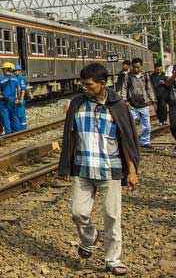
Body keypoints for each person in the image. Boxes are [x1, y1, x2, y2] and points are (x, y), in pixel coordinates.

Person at [59, 63, 139, 276]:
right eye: (83, 84)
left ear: (102, 84)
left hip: (110, 170)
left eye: (89, 84)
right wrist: (66, 165)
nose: (85, 87)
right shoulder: (77, 104)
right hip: (82, 169)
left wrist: (132, 171)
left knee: (112, 216)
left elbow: (127, 141)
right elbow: (69, 137)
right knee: (78, 212)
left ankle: (113, 259)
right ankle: (89, 236)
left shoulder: (118, 106)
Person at [119, 57, 156, 148]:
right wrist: (124, 100)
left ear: (141, 67)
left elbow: (149, 88)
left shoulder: (146, 76)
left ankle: (145, 141)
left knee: (146, 125)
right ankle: (132, 141)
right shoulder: (128, 76)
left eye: (138, 67)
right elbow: (124, 88)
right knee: (131, 124)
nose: (136, 69)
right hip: (132, 104)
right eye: (134, 67)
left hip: (144, 104)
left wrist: (153, 100)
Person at [0, 62, 20, 135]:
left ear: (6, 69)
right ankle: (17, 131)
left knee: (5, 117)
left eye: (3, 69)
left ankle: (8, 133)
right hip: (13, 99)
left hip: (4, 100)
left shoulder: (1, 79)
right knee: (14, 116)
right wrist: (17, 98)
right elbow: (18, 88)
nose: (2, 70)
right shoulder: (15, 78)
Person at [14, 63, 28, 131]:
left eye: (16, 70)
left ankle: (23, 128)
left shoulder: (21, 78)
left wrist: (21, 98)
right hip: (16, 99)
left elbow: (23, 89)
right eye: (14, 71)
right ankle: (19, 128)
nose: (15, 72)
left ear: (19, 71)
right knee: (17, 113)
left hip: (20, 99)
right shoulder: (15, 78)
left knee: (21, 113)